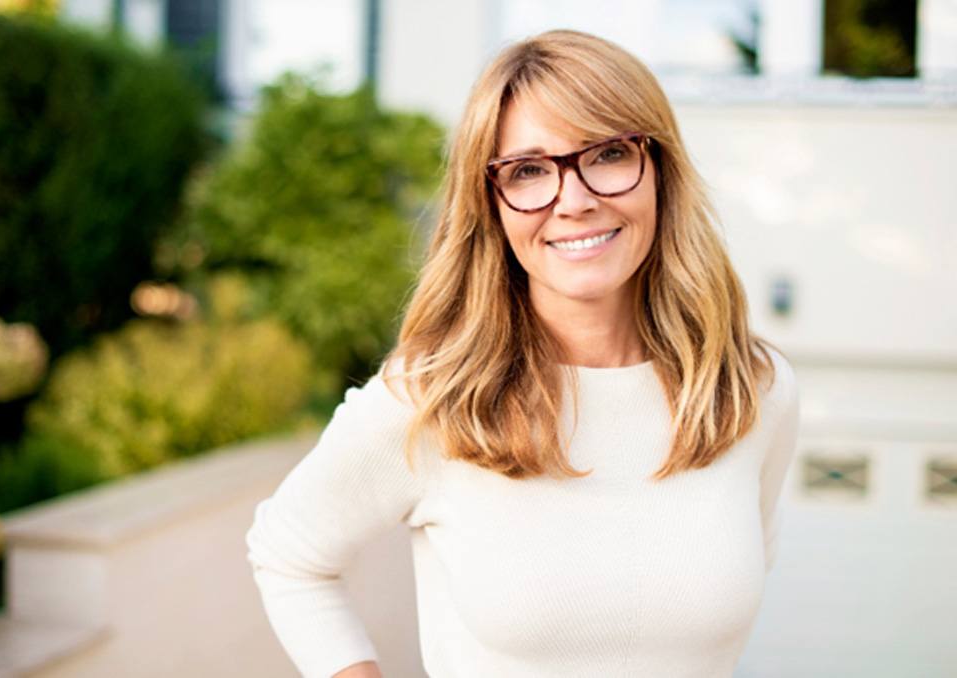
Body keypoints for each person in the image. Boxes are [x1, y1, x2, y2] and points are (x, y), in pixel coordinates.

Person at [245, 29, 799, 678]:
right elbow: (288, 554)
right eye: (529, 170)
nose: (575, 199)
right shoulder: (435, 398)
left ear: (661, 173)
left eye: (610, 153)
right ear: (491, 203)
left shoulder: (753, 391)